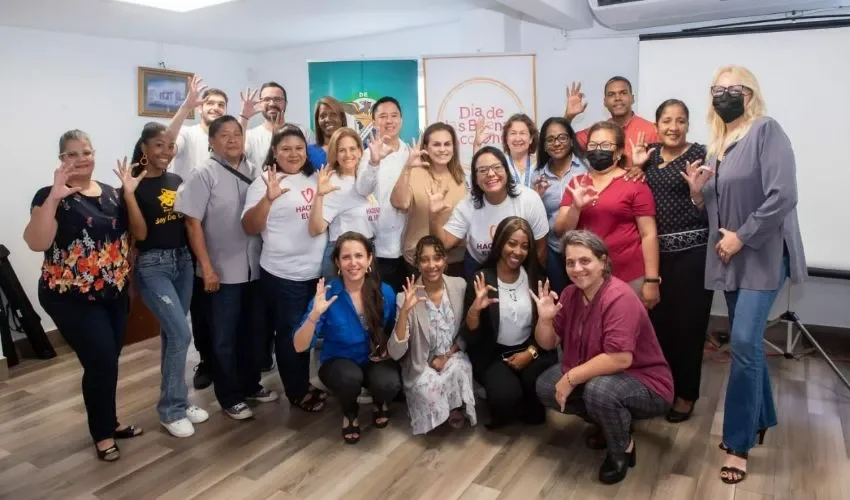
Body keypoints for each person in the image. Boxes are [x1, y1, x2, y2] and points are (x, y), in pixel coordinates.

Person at [692, 65, 806, 485]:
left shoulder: (766, 131)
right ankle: (762, 418)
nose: (724, 95)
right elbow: (714, 203)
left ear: (750, 94)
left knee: (741, 343)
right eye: (717, 89)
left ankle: (738, 443)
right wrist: (696, 189)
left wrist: (742, 237)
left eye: (733, 89)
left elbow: (784, 195)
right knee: (749, 347)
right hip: (730, 258)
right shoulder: (717, 145)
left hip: (761, 254)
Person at [23, 130, 142, 461]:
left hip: (113, 294)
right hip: (69, 296)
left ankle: (110, 421)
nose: (81, 158)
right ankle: (103, 434)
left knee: (106, 361)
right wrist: (54, 199)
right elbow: (37, 241)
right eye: (71, 154)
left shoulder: (112, 194)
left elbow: (129, 238)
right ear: (61, 160)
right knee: (101, 359)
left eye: (86, 151)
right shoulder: (49, 194)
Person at [533, 230, 673, 485]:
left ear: (603, 262)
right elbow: (548, 342)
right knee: (545, 385)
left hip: (645, 381)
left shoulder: (619, 297)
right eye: (570, 262)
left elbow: (620, 360)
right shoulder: (569, 295)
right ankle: (609, 421)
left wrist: (571, 378)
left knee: (599, 391)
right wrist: (544, 319)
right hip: (599, 373)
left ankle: (622, 448)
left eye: (585, 261)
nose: (577, 269)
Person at [174, 115, 278, 421]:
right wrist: (206, 268)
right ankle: (229, 395)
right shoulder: (202, 174)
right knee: (223, 338)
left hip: (254, 268)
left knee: (252, 333)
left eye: (237, 134)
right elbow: (192, 223)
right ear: (211, 141)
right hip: (221, 271)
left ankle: (250, 385)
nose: (232, 140)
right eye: (225, 135)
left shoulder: (254, 171)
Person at [121, 123, 210, 438]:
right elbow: (141, 235)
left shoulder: (176, 180)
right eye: (159, 145)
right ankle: (170, 410)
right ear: (144, 147)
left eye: (170, 146)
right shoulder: (133, 183)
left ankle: (180, 402)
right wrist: (129, 195)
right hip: (152, 265)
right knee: (181, 333)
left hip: (182, 262)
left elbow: (187, 224)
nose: (166, 152)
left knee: (173, 336)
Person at [632, 99, 713, 423]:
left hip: (692, 257)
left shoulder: (702, 154)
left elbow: (715, 206)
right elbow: (635, 196)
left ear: (688, 124)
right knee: (657, 328)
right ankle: (662, 388)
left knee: (689, 328)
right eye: (666, 120)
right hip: (654, 258)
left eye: (680, 120)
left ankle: (686, 394)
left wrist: (696, 193)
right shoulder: (647, 154)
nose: (673, 127)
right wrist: (636, 167)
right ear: (657, 124)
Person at [242, 127, 328, 414]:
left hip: (315, 274)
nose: (293, 154)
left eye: (299, 148)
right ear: (275, 152)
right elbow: (249, 227)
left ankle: (302, 382)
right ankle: (297, 390)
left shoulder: (316, 178)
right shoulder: (264, 182)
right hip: (282, 275)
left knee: (309, 331)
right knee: (291, 334)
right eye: (286, 149)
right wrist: (268, 198)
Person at [293, 232, 401, 444]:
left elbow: (392, 329)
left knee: (388, 383)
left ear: (369, 259)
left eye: (359, 256)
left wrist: (387, 348)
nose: (353, 263)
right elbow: (299, 346)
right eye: (346, 257)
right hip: (339, 362)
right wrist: (315, 314)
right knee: (349, 379)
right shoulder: (327, 293)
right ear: (337, 262)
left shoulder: (384, 291)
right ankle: (349, 411)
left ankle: (380, 401)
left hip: (374, 358)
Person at [461, 217, 557, 429]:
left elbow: (547, 330)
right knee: (505, 400)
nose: (517, 252)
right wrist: (475, 310)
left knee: (536, 416)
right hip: (494, 354)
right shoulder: (481, 279)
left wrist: (529, 353)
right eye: (511, 243)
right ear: (500, 244)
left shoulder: (536, 278)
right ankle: (504, 392)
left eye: (524, 246)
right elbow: (471, 337)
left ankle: (524, 392)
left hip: (532, 349)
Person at [554, 121, 661, 309]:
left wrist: (652, 280)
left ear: (619, 152)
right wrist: (576, 207)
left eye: (605, 146)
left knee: (624, 332)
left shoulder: (634, 182)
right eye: (593, 146)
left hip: (629, 275)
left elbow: (649, 234)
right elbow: (561, 231)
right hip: (586, 277)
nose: (598, 150)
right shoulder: (577, 183)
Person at [164, 75, 226, 390]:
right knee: (201, 299)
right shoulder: (189, 134)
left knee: (224, 300)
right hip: (191, 226)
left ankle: (227, 357)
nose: (215, 108)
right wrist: (184, 106)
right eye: (210, 102)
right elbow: (166, 140)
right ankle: (206, 361)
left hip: (224, 229)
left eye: (221, 104)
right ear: (201, 107)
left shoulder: (228, 138)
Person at [388, 236, 476, 434]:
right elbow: (395, 351)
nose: (431, 265)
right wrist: (404, 313)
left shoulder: (459, 286)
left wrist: (447, 356)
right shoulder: (405, 297)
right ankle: (435, 408)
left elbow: (464, 331)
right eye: (424, 259)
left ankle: (454, 405)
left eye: (436, 258)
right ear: (417, 264)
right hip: (422, 363)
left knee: (461, 367)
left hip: (450, 355)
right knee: (429, 387)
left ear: (445, 260)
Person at [431, 146, 549, 279]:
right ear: (475, 178)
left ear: (507, 170)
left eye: (497, 167)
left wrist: (532, 279)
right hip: (479, 267)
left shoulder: (529, 199)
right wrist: (435, 216)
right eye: (483, 170)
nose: (491, 174)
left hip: (521, 267)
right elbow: (445, 244)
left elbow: (541, 249)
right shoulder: (467, 205)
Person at [390, 122, 467, 277]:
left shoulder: (462, 176)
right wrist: (407, 168)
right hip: (419, 260)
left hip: (454, 260)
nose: (443, 149)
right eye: (436, 144)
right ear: (426, 147)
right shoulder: (414, 172)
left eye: (447, 144)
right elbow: (399, 203)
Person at [354, 96, 411, 292]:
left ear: (401, 120)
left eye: (394, 116)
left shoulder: (411, 153)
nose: (389, 121)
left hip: (409, 248)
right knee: (381, 306)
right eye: (383, 116)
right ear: (374, 122)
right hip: (380, 248)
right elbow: (362, 189)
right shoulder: (368, 154)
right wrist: (374, 162)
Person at [308, 127, 378, 279]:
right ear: (335, 154)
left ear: (361, 151)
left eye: (352, 149)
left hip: (367, 252)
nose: (348, 155)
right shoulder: (333, 182)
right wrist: (319, 195)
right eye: (342, 150)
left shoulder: (367, 177)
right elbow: (316, 229)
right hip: (342, 257)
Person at [530, 117, 587, 294]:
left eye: (562, 137)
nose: (556, 143)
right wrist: (536, 196)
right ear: (544, 145)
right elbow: (534, 216)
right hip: (554, 249)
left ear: (571, 140)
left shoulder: (587, 167)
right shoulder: (537, 174)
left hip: (587, 246)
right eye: (550, 139)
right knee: (562, 298)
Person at [563, 78, 659, 172]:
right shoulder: (596, 133)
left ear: (632, 98)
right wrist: (568, 117)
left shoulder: (651, 130)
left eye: (623, 93)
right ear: (605, 102)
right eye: (611, 94)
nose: (617, 98)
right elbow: (562, 144)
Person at [241, 81, 313, 170]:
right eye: (266, 99)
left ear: (285, 104)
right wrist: (244, 117)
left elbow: (312, 165)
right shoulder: (250, 136)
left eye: (277, 99)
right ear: (260, 104)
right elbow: (235, 159)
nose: (272, 104)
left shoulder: (304, 132)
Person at [495, 114, 538, 188]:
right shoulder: (498, 164)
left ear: (531, 138)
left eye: (522, 133)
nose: (517, 138)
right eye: (513, 133)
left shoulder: (541, 164)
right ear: (506, 139)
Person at [308, 96, 347, 167]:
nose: (328, 119)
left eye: (333, 114)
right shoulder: (309, 152)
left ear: (342, 118)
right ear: (317, 121)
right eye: (323, 116)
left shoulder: (353, 149)